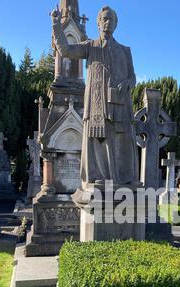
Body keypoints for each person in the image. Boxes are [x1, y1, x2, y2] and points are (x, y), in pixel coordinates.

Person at [51, 5, 139, 187]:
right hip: (98, 105)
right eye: (104, 19)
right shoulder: (90, 46)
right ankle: (99, 178)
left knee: (121, 141)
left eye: (111, 20)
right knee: (98, 141)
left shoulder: (125, 51)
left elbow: (133, 77)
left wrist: (127, 84)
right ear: (98, 23)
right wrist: (56, 25)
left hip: (120, 104)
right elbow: (65, 50)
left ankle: (122, 179)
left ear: (116, 24)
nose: (108, 23)